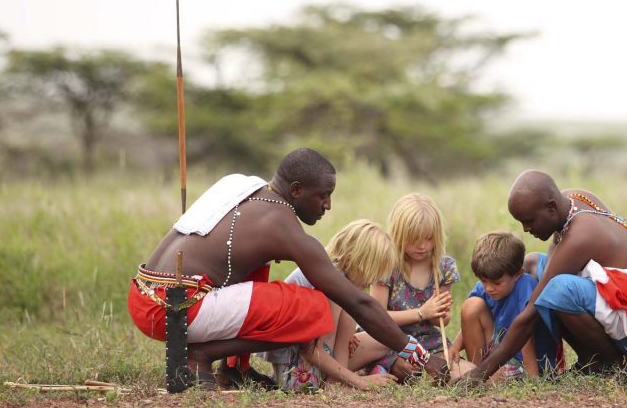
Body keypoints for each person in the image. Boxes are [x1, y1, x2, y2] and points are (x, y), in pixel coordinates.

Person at [127, 148, 444, 389]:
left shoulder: (241, 187)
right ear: (296, 191)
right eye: (323, 196)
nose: (328, 206)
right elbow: (358, 302)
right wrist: (421, 355)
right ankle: (199, 358)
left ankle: (233, 368)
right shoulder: (283, 228)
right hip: (176, 309)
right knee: (312, 307)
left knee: (260, 276)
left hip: (146, 297)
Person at [456, 170, 627, 385]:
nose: (526, 229)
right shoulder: (572, 199)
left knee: (557, 289)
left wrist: (478, 375)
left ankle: (616, 368)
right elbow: (551, 262)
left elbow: (529, 315)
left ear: (551, 208)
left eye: (529, 221)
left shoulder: (581, 235)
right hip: (622, 305)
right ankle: (590, 359)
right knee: (530, 264)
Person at [262, 219, 399, 391]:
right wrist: (361, 382)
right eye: (371, 272)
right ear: (352, 260)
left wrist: (345, 335)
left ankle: (339, 381)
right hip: (296, 374)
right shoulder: (330, 283)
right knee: (349, 305)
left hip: (313, 361)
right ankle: (336, 384)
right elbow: (311, 351)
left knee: (383, 340)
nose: (372, 280)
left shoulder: (336, 273)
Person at [349, 193, 459, 380]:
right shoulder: (388, 265)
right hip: (386, 338)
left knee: (458, 374)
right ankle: (384, 366)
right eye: (413, 239)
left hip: (428, 340)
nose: (422, 246)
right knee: (405, 368)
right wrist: (421, 312)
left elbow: (443, 321)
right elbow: (376, 317)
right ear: (398, 235)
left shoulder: (443, 267)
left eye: (429, 238)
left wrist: (440, 314)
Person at [449, 231, 559, 382]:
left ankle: (477, 377)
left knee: (454, 374)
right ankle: (477, 372)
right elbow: (469, 320)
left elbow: (526, 336)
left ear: (517, 274)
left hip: (522, 363)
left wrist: (533, 380)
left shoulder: (525, 286)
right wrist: (454, 347)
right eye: (483, 280)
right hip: (493, 360)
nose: (488, 288)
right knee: (471, 305)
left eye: (496, 283)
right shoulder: (485, 288)